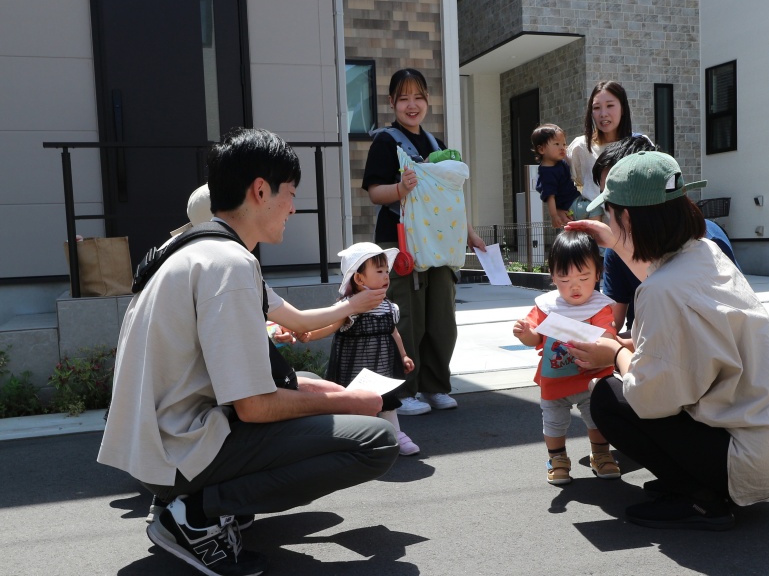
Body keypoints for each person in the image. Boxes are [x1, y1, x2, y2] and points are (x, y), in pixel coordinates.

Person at [98, 128, 399, 576]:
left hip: (156, 448)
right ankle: (196, 516)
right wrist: (348, 401)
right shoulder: (231, 265)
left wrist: (321, 391)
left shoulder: (190, 250)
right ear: (261, 191)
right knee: (376, 441)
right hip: (180, 454)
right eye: (290, 193)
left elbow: (254, 370)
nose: (293, 208)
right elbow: (255, 406)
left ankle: (202, 503)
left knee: (310, 386)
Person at [565, 151, 769, 531]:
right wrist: (615, 242)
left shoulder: (662, 292)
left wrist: (613, 353)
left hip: (742, 461)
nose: (607, 222)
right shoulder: (705, 252)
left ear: (627, 218)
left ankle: (701, 499)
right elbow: (676, 303)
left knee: (609, 398)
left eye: (610, 214)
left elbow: (649, 398)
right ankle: (695, 481)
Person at [362, 67, 486, 416]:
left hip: (440, 244)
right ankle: (404, 392)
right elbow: (375, 193)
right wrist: (401, 188)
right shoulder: (385, 142)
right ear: (392, 102)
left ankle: (435, 386)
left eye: (418, 97)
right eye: (404, 98)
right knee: (406, 318)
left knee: (441, 319)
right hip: (401, 244)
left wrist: (470, 233)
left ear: (428, 101)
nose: (412, 105)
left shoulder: (437, 146)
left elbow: (451, 199)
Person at [592, 135, 740, 335]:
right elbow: (613, 324)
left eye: (610, 204)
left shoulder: (704, 248)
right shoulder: (617, 249)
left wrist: (616, 349)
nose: (607, 216)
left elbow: (693, 337)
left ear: (629, 214)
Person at [512, 230, 621, 485]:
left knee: (597, 420)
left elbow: (607, 337)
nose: (575, 286)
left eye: (583, 277)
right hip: (555, 379)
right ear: (552, 277)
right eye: (564, 279)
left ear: (598, 274)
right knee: (553, 423)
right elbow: (535, 338)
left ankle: (600, 454)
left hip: (591, 378)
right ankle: (557, 459)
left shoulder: (599, 305)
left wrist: (605, 336)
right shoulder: (546, 306)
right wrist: (525, 334)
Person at [299, 242, 421, 456]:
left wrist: (403, 355)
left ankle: (395, 433)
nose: (386, 276)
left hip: (382, 365)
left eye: (387, 271)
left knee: (387, 401)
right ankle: (357, 438)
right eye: (379, 271)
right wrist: (309, 335)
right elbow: (331, 325)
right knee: (355, 403)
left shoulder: (388, 306)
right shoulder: (350, 306)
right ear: (359, 278)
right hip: (355, 368)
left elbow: (393, 331)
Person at [566, 80, 634, 207]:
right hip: (591, 218)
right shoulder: (580, 146)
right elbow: (560, 182)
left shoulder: (639, 145)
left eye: (610, 105)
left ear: (623, 108)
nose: (603, 114)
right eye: (596, 108)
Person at [531, 124, 600, 228]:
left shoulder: (558, 162)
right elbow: (550, 197)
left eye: (564, 144)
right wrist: (554, 216)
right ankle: (594, 232)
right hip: (570, 206)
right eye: (557, 144)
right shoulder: (547, 173)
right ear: (541, 150)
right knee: (596, 208)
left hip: (576, 199)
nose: (562, 148)